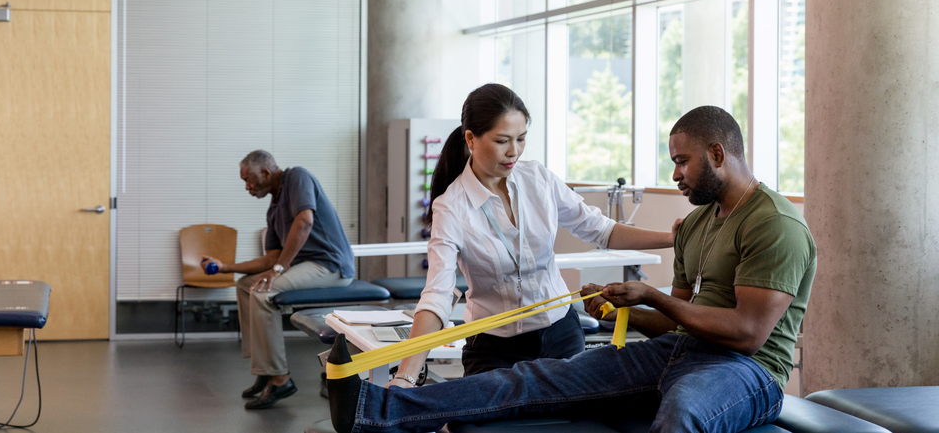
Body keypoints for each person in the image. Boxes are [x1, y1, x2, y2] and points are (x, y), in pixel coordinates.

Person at [328, 105, 816, 433]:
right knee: (534, 378)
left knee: (683, 410)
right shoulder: (700, 223)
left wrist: (651, 296)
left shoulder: (773, 224)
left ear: (717, 154)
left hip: (747, 370)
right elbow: (678, 316)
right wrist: (616, 308)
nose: (674, 175)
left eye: (682, 162)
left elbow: (748, 334)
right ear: (472, 141)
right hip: (679, 350)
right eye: (673, 162)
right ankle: (377, 410)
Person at [385, 84, 677, 390]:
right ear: (471, 138)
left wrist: (670, 238)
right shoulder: (451, 207)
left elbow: (601, 230)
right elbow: (438, 295)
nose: (514, 151)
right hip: (494, 347)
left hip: (561, 335)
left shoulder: (538, 179)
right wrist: (405, 376)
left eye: (521, 139)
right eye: (502, 141)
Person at [201, 150, 355, 410]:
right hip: (307, 266)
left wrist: (279, 268)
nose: (247, 187)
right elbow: (269, 259)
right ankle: (265, 368)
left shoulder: (297, 177)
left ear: (266, 172)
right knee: (246, 286)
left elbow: (304, 221)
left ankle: (280, 378)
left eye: (248, 180)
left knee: (263, 293)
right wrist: (226, 266)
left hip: (330, 266)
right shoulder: (273, 209)